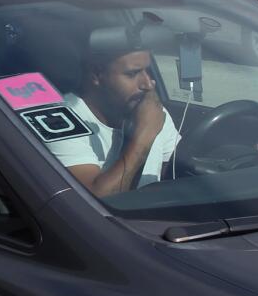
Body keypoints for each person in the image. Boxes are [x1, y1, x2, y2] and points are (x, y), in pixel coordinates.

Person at [47, 24, 180, 197]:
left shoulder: (149, 111)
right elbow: (93, 202)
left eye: (148, 71)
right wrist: (144, 136)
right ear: (96, 74)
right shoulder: (59, 119)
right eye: (132, 74)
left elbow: (178, 173)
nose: (148, 84)